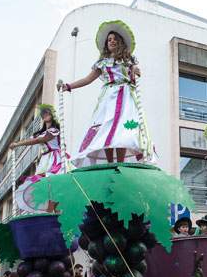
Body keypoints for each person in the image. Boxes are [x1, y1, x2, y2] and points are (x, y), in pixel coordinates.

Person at [59, 20, 156, 166]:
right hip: (108, 96)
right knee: (105, 127)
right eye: (109, 40)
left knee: (123, 129)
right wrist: (68, 86)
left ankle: (121, 163)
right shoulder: (102, 62)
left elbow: (134, 80)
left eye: (115, 39)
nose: (112, 42)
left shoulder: (129, 60)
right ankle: (111, 163)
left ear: (120, 42)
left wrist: (136, 74)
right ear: (106, 44)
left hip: (126, 97)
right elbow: (87, 79)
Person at [10, 104, 64, 213]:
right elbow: (42, 146)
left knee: (53, 185)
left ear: (52, 116)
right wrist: (39, 159)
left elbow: (38, 141)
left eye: (48, 113)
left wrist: (18, 144)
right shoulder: (43, 133)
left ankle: (53, 213)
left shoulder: (53, 130)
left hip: (53, 159)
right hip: (45, 160)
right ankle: (53, 214)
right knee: (47, 187)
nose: (45, 116)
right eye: (43, 114)